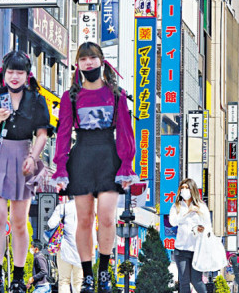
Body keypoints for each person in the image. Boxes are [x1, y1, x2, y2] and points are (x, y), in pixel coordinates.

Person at [51, 42, 138, 293]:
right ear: (77, 64)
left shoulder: (117, 94)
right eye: (83, 59)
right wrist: (60, 168)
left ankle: (103, 272)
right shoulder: (70, 96)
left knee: (108, 218)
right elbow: (64, 133)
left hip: (109, 157)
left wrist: (126, 166)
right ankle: (88, 276)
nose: (88, 63)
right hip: (81, 157)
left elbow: (125, 131)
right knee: (85, 220)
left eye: (92, 58)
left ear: (101, 61)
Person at [0, 51, 52, 293]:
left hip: (23, 157)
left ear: (26, 75)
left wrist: (33, 157)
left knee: (19, 222)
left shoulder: (36, 99)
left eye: (19, 72)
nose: (14, 76)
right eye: (10, 72)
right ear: (3, 73)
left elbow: (42, 133)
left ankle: (18, 276)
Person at [168, 179, 212, 293]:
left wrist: (202, 228)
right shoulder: (176, 206)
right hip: (181, 249)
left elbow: (208, 226)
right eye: (182, 188)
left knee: (196, 280)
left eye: (187, 188)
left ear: (192, 189)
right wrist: (187, 213)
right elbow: (172, 222)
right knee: (184, 281)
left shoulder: (201, 206)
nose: (184, 190)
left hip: (197, 250)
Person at [48, 198, 83, 293]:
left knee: (64, 280)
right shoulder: (87, 207)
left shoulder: (62, 207)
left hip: (64, 249)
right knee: (79, 281)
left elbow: (51, 224)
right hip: (82, 250)